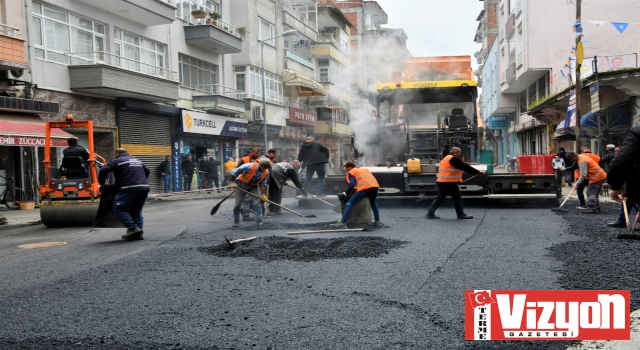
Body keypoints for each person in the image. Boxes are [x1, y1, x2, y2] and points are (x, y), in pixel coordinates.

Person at [98, 148, 150, 241]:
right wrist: (141, 180)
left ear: (117, 153)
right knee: (136, 210)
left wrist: (102, 183)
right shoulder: (137, 160)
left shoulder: (117, 160)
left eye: (114, 154)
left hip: (129, 188)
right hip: (144, 188)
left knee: (118, 208)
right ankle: (138, 234)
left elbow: (103, 170)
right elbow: (147, 170)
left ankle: (133, 228)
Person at [426, 147, 483, 219]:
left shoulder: (446, 158)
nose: (460, 154)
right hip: (449, 183)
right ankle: (461, 214)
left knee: (440, 198)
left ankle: (430, 213)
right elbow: (464, 166)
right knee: (457, 198)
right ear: (455, 152)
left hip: (441, 181)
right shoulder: (453, 159)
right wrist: (477, 172)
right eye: (459, 152)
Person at [332, 162, 382, 228]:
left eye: (346, 168)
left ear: (349, 167)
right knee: (373, 203)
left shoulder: (351, 172)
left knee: (350, 204)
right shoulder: (364, 170)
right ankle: (377, 222)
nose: (345, 170)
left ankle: (343, 223)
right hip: (375, 187)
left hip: (364, 188)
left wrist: (345, 193)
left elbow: (352, 184)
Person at [608, 126, 640, 229]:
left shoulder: (637, 134)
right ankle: (622, 220)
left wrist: (616, 186)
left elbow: (619, 163)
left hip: (633, 180)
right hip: (631, 179)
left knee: (631, 199)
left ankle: (623, 220)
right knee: (628, 199)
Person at [229, 158, 270, 227]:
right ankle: (236, 220)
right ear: (260, 164)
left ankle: (259, 220)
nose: (266, 168)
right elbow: (233, 172)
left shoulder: (266, 172)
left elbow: (263, 184)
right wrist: (232, 182)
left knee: (257, 203)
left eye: (267, 167)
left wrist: (263, 194)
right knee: (237, 204)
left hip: (253, 186)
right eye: (265, 167)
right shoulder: (248, 166)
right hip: (241, 185)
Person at [236, 148, 261, 220]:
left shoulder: (257, 161)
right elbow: (237, 171)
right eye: (256, 153)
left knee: (254, 198)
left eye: (258, 153)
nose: (258, 155)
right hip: (244, 183)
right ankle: (246, 215)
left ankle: (251, 210)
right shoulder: (243, 160)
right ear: (251, 152)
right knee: (246, 199)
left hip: (253, 184)